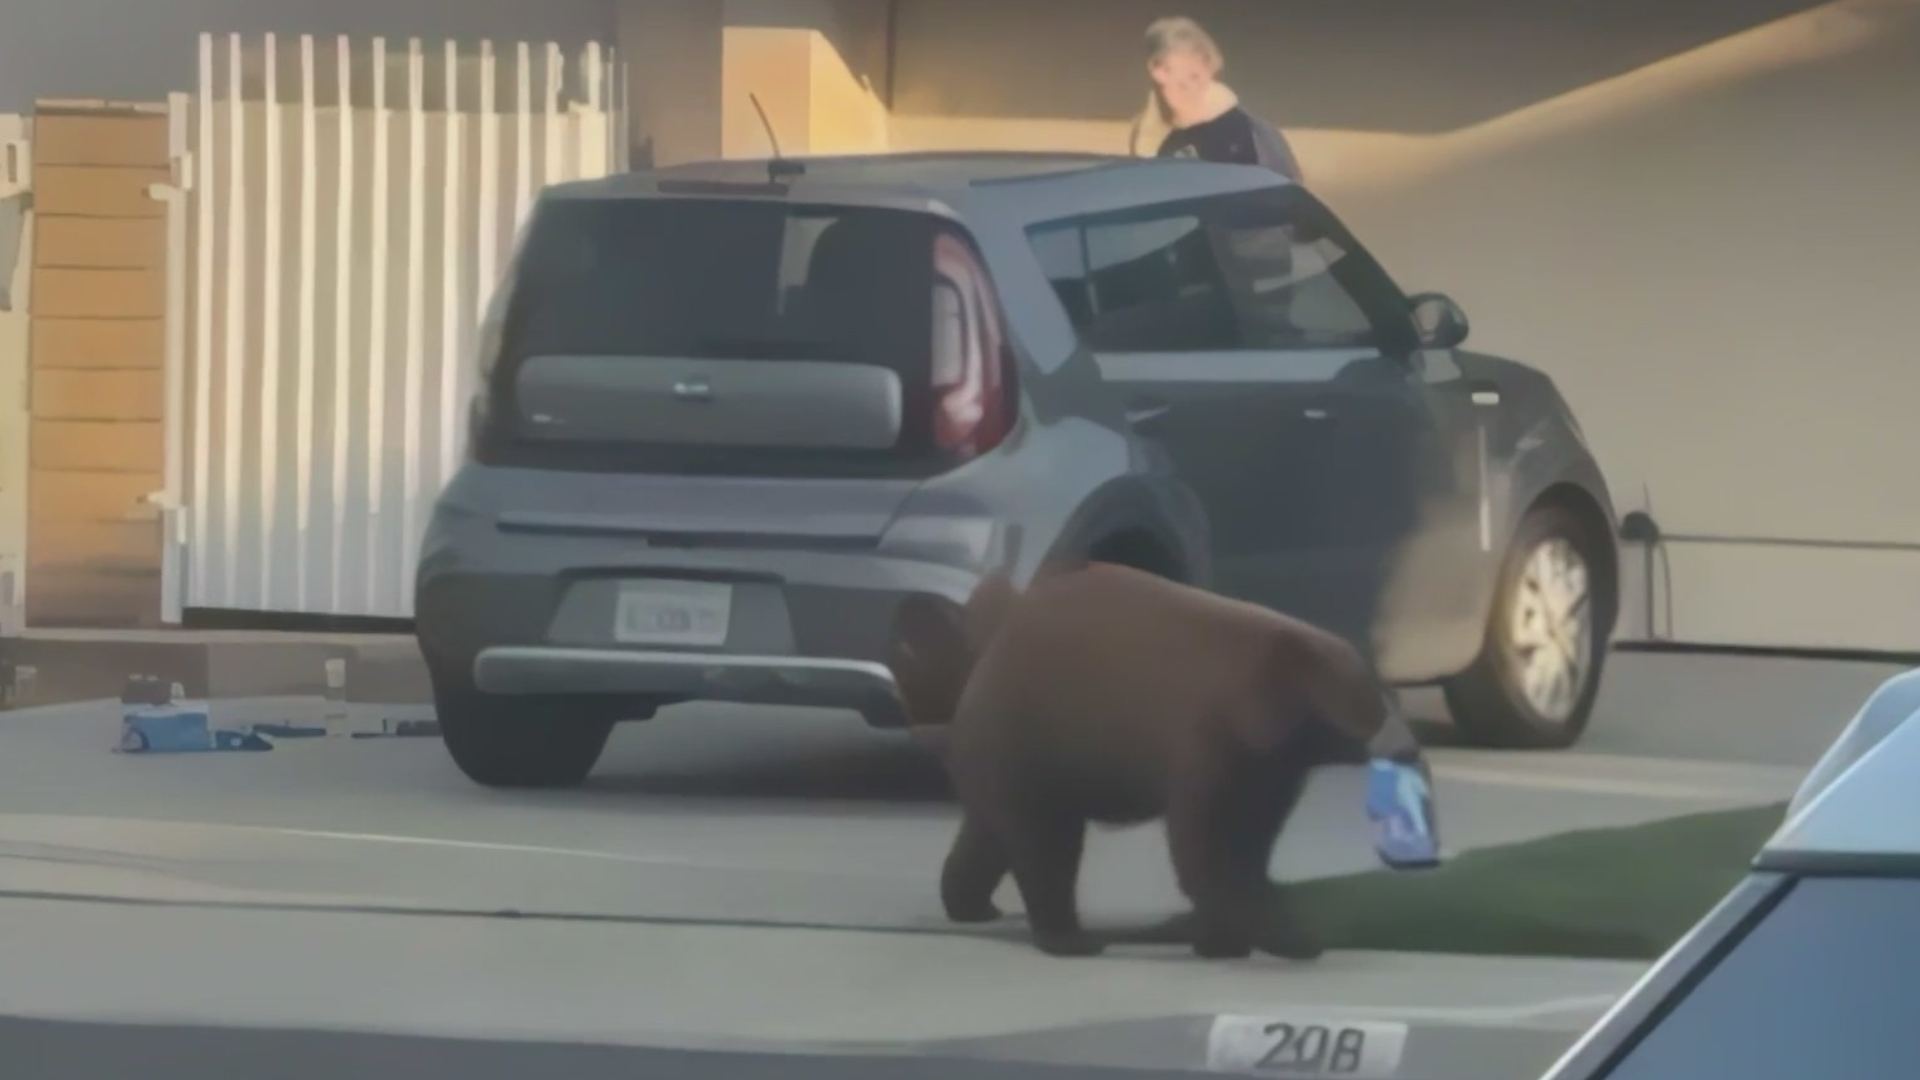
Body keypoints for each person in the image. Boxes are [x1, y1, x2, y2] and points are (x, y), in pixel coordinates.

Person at [1129, 16, 1305, 183]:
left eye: (1196, 77)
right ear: (1158, 72)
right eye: (1180, 81)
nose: (1192, 90)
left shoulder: (1244, 130)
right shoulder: (1145, 132)